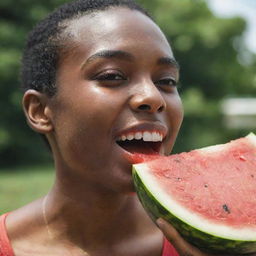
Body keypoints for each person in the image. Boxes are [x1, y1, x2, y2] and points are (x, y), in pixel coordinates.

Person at [0, 0, 254, 255]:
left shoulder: (223, 245)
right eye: (112, 76)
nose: (153, 97)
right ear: (40, 111)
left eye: (166, 80)